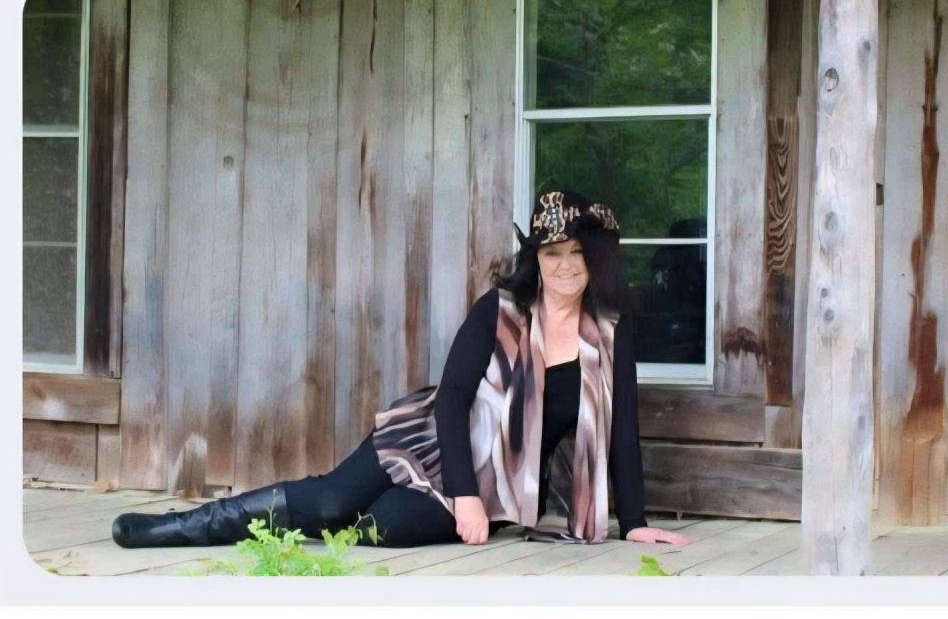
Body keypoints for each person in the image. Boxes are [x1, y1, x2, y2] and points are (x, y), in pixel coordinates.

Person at [112, 190, 689, 549]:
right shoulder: (500, 311)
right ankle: (180, 527)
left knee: (385, 526)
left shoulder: (610, 337)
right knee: (334, 502)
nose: (564, 266)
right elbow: (453, 400)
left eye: (576, 253)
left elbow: (621, 433)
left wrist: (634, 521)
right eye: (551, 254)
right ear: (535, 261)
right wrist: (463, 495)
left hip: (498, 485)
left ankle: (311, 524)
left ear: (596, 259)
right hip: (430, 440)